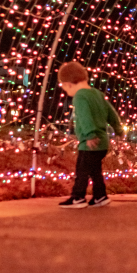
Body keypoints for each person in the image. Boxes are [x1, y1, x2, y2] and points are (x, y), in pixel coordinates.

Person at [57, 61, 124, 209]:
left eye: (63, 86)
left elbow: (84, 116)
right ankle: (100, 196)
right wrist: (118, 129)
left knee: (82, 171)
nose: (65, 90)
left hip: (90, 142)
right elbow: (111, 113)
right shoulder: (97, 94)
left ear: (68, 84)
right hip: (102, 143)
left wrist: (89, 134)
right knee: (95, 170)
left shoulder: (80, 97)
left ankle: (78, 197)